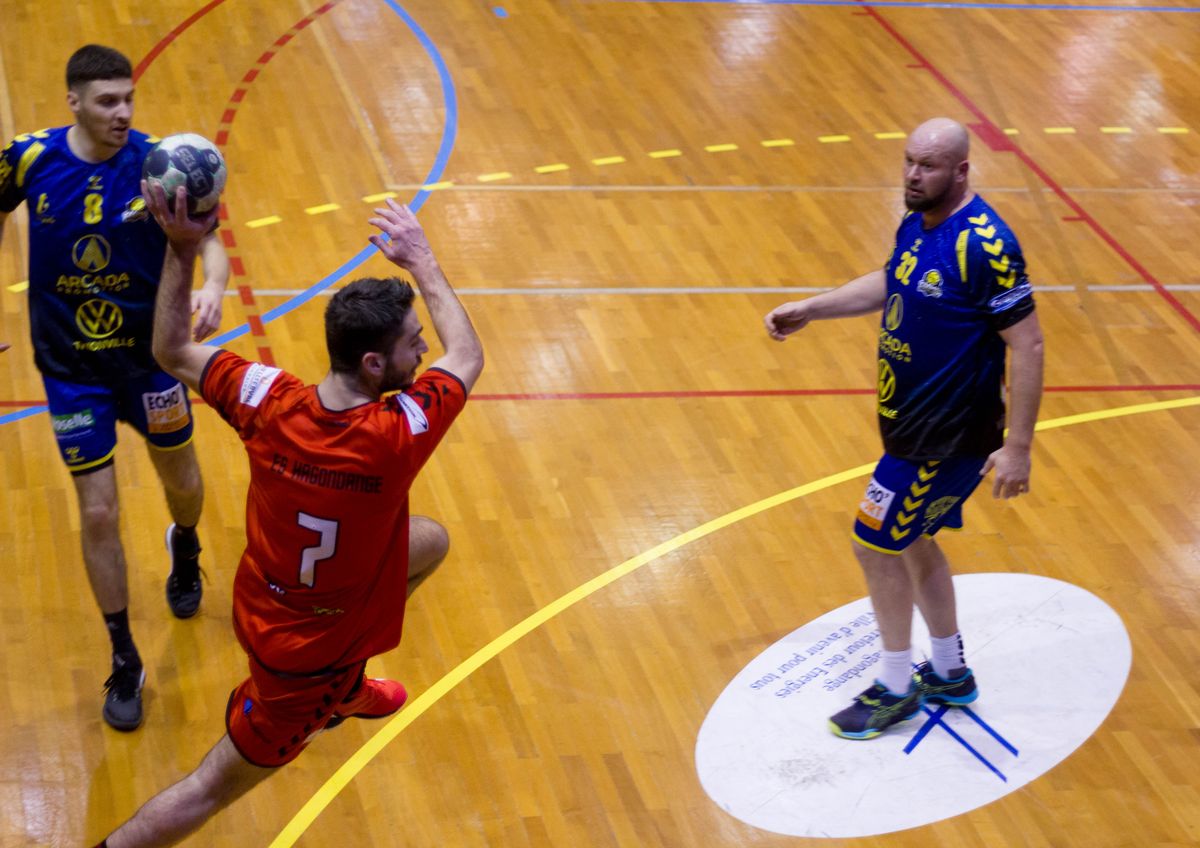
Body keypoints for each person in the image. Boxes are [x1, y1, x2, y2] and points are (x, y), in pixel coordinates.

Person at [91, 185, 483, 847]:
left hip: (265, 600)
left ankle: (352, 686)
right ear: (374, 363)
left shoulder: (268, 397)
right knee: (207, 789)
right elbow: (467, 355)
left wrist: (182, 248)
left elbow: (172, 351)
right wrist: (422, 260)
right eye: (413, 345)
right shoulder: (397, 434)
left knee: (429, 542)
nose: (423, 354)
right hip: (302, 667)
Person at [764, 117, 1044, 740]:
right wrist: (814, 307)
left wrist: (1018, 447)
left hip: (945, 439)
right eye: (910, 162)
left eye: (929, 166)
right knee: (912, 540)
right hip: (911, 428)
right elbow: (894, 281)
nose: (914, 176)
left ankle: (895, 689)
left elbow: (1026, 344)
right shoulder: (917, 222)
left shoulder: (987, 246)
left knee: (873, 543)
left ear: (962, 170)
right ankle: (949, 672)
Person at [0, 44, 230, 731]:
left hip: (152, 362)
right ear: (72, 102)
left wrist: (213, 286)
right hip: (72, 371)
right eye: (107, 101)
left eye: (128, 98)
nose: (123, 112)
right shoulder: (28, 159)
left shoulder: (163, 163)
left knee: (183, 481)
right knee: (98, 512)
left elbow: (211, 238)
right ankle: (124, 656)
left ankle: (185, 543)